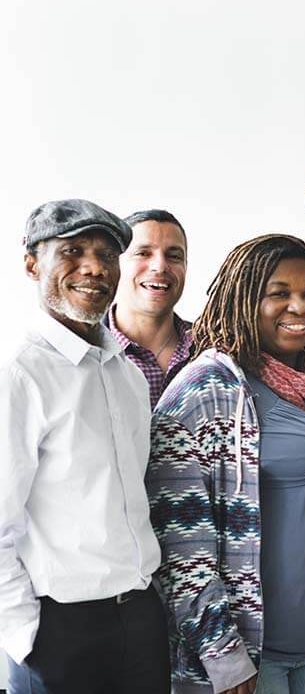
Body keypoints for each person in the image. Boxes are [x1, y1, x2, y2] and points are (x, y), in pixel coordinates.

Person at [148, 234, 305, 694]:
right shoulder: (205, 391)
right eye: (279, 293)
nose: (300, 306)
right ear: (244, 298)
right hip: (253, 659)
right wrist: (224, 657)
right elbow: (180, 548)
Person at [2, 199, 168, 694]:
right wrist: (25, 637)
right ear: (33, 264)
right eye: (72, 251)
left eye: (106, 254)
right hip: (58, 632)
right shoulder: (19, 374)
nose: (94, 267)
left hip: (139, 620)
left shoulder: (127, 374)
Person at [107, 209, 193, 407]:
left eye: (174, 256)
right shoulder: (84, 353)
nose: (160, 266)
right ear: (113, 263)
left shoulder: (215, 350)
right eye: (143, 253)